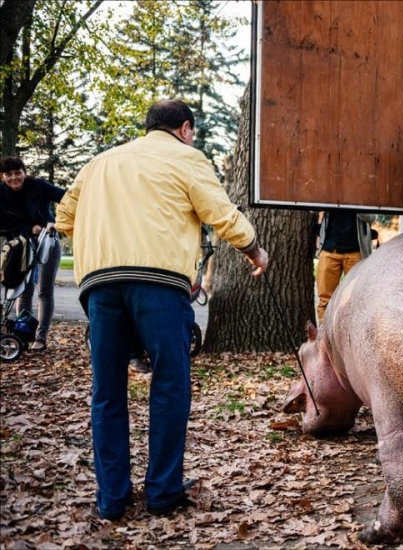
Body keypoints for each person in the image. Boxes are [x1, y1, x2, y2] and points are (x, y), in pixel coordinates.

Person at [55, 99, 269, 521]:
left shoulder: (100, 163)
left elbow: (64, 218)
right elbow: (220, 213)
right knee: (170, 382)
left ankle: (111, 498)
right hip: (159, 283)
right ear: (185, 128)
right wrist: (253, 249)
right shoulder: (186, 158)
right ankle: (162, 490)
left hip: (100, 284)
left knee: (107, 390)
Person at [0, 156, 66, 350]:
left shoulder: (38, 186)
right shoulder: (1, 194)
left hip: (48, 241)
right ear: (2, 176)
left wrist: (57, 222)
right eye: (8, 174)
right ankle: (22, 337)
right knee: (23, 290)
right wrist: (30, 229)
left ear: (24, 172)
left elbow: (67, 199)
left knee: (45, 290)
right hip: (20, 244)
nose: (14, 177)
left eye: (18, 172)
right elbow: (3, 225)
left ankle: (40, 338)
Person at [314, 210, 376, 324]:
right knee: (325, 300)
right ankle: (324, 333)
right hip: (330, 248)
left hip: (356, 251)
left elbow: (371, 217)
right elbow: (312, 207)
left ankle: (351, 333)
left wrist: (356, 203)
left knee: (355, 299)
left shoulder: (364, 197)